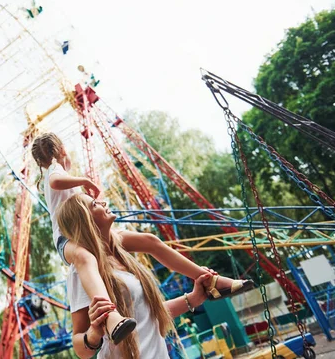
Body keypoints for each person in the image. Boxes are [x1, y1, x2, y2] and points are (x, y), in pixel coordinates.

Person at [30, 133, 252, 343]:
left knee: (149, 241)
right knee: (85, 258)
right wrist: (85, 182)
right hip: (68, 240)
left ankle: (209, 279)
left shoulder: (63, 175)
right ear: (60, 149)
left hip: (89, 232)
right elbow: (55, 182)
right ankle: (111, 316)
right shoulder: (55, 169)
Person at [58, 193, 212, 359]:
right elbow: (80, 349)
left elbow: (147, 315)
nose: (103, 202)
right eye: (95, 204)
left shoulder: (122, 257)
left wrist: (193, 299)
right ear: (86, 221)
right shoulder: (81, 273)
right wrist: (94, 333)